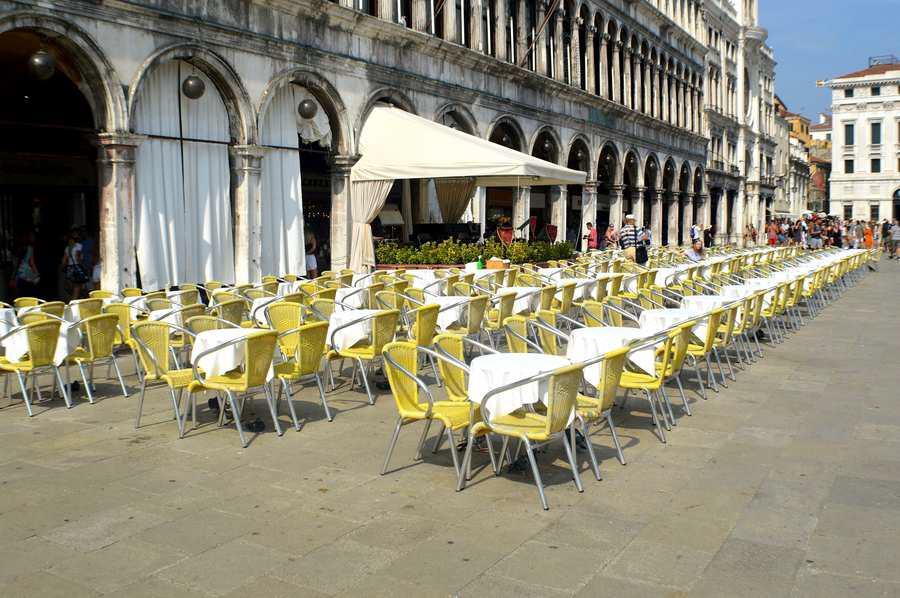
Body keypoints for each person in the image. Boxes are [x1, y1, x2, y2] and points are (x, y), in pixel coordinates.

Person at [10, 232, 40, 298]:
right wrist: (37, 274)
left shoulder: (17, 249)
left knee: (20, 296)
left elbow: (16, 265)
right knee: (29, 295)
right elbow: (32, 263)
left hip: (19, 275)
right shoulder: (30, 248)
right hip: (28, 274)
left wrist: (12, 278)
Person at [61, 229, 88, 300]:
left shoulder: (67, 248)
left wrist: (63, 268)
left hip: (70, 268)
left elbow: (64, 261)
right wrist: (83, 266)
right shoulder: (78, 246)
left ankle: (75, 299)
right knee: (78, 287)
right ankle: (74, 302)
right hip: (77, 267)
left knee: (74, 287)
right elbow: (78, 257)